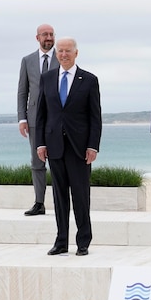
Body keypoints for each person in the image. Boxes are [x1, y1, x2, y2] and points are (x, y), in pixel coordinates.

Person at [36, 37, 102, 256]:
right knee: (59, 196)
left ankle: (83, 241)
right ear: (56, 54)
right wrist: (40, 143)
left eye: (68, 51)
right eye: (60, 51)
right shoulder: (46, 78)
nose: (64, 54)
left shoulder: (89, 80)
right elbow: (42, 114)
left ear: (76, 53)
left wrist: (93, 146)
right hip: (54, 146)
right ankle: (61, 241)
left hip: (79, 148)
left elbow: (95, 117)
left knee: (81, 196)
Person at [17, 24, 60, 216]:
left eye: (51, 34)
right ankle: (39, 203)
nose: (49, 37)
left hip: (58, 119)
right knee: (37, 162)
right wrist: (21, 118)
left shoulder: (62, 57)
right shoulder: (27, 61)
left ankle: (61, 201)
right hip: (34, 119)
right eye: (45, 34)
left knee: (59, 160)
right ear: (38, 38)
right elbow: (22, 91)